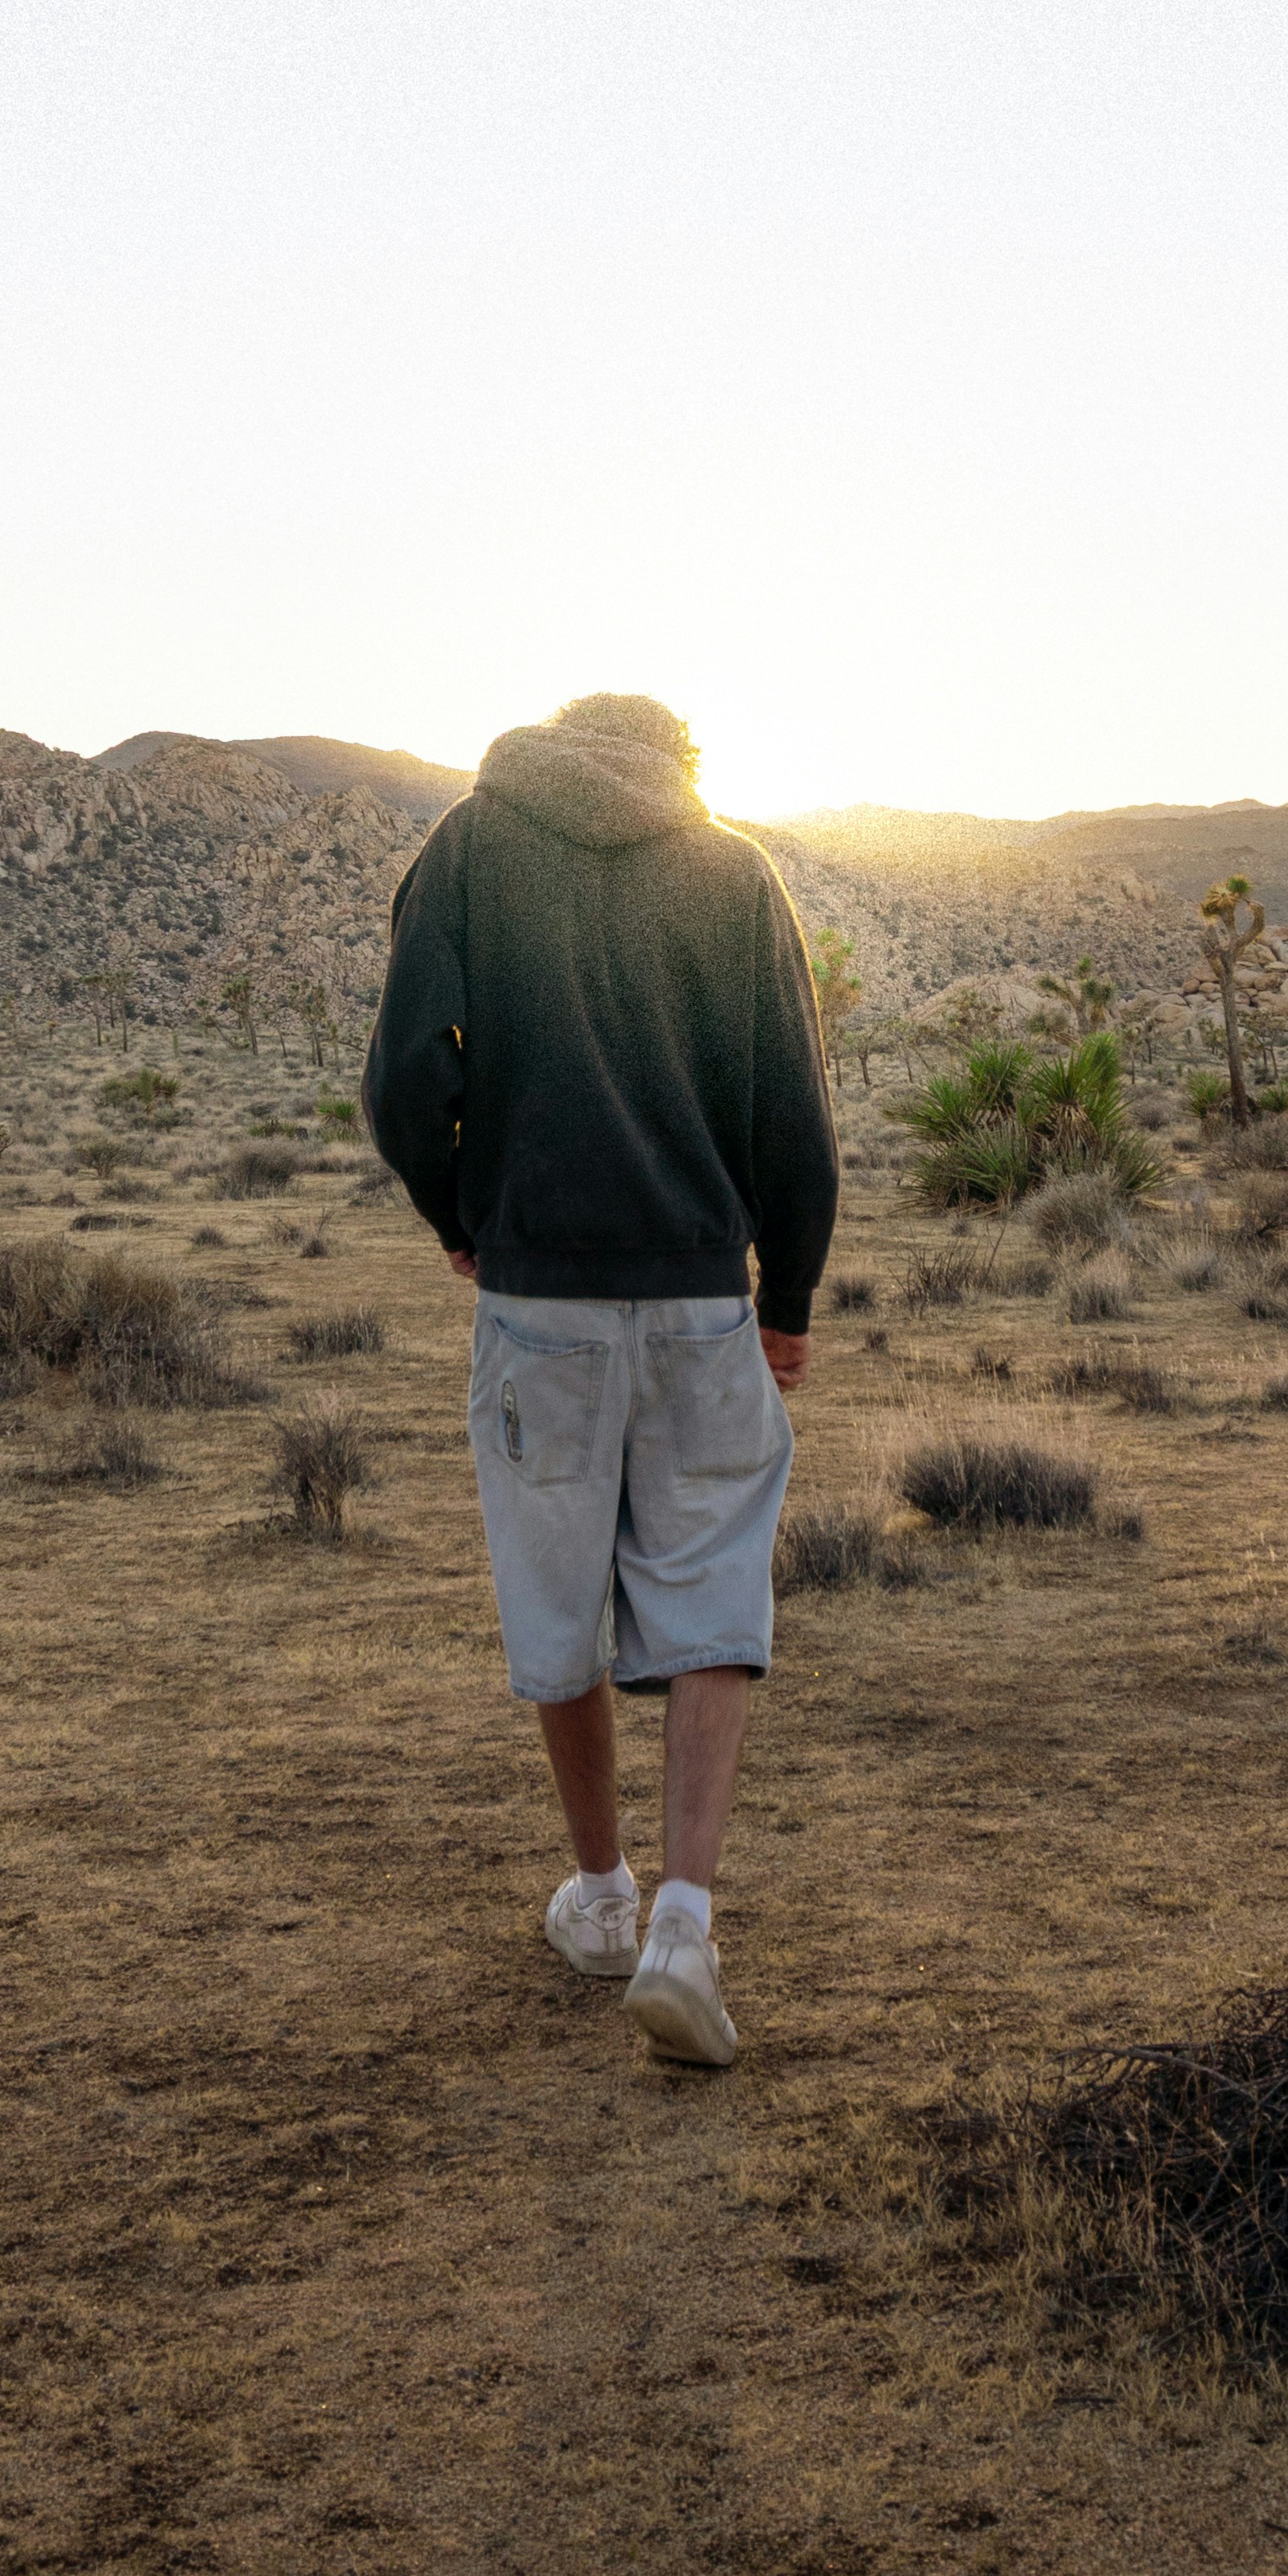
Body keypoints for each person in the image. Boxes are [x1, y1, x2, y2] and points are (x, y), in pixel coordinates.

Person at [363, 692, 840, 2069]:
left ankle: (601, 1894)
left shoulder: (469, 849)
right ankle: (684, 1922)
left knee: (554, 1588)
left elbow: (404, 1080)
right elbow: (792, 1112)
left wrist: (462, 1214)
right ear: (679, 763)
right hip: (699, 1291)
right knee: (713, 1587)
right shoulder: (732, 872)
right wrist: (787, 1302)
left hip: (539, 1298)